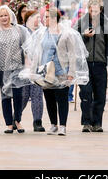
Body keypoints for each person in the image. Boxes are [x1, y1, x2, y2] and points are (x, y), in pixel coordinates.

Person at [21, 7, 89, 136]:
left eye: (46, 17)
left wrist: (71, 73)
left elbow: (72, 55)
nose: (43, 19)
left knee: (62, 98)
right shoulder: (41, 33)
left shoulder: (66, 34)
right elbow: (37, 53)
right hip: (45, 71)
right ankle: (53, 124)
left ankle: (63, 125)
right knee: (49, 98)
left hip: (61, 71)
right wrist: (33, 71)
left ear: (53, 18)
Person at [0, 5, 31, 134]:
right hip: (2, 69)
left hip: (18, 68)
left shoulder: (20, 30)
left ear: (10, 16)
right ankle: (9, 124)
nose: (4, 18)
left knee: (18, 96)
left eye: (6, 15)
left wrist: (29, 63)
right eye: (1, 16)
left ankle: (17, 121)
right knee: (5, 97)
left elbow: (29, 47)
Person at [73, 0, 108, 133]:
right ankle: (86, 122)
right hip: (84, 63)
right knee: (86, 93)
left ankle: (97, 122)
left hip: (100, 62)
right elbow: (73, 39)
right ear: (89, 10)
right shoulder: (81, 22)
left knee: (100, 94)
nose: (94, 13)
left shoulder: (106, 23)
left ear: (101, 10)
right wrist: (84, 35)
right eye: (92, 11)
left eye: (97, 11)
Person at [21, 9, 46, 132]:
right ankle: (16, 118)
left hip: (38, 68)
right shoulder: (22, 31)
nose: (38, 20)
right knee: (24, 95)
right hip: (24, 68)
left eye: (39, 18)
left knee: (37, 95)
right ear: (28, 19)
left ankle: (37, 121)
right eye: (35, 18)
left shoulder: (42, 32)